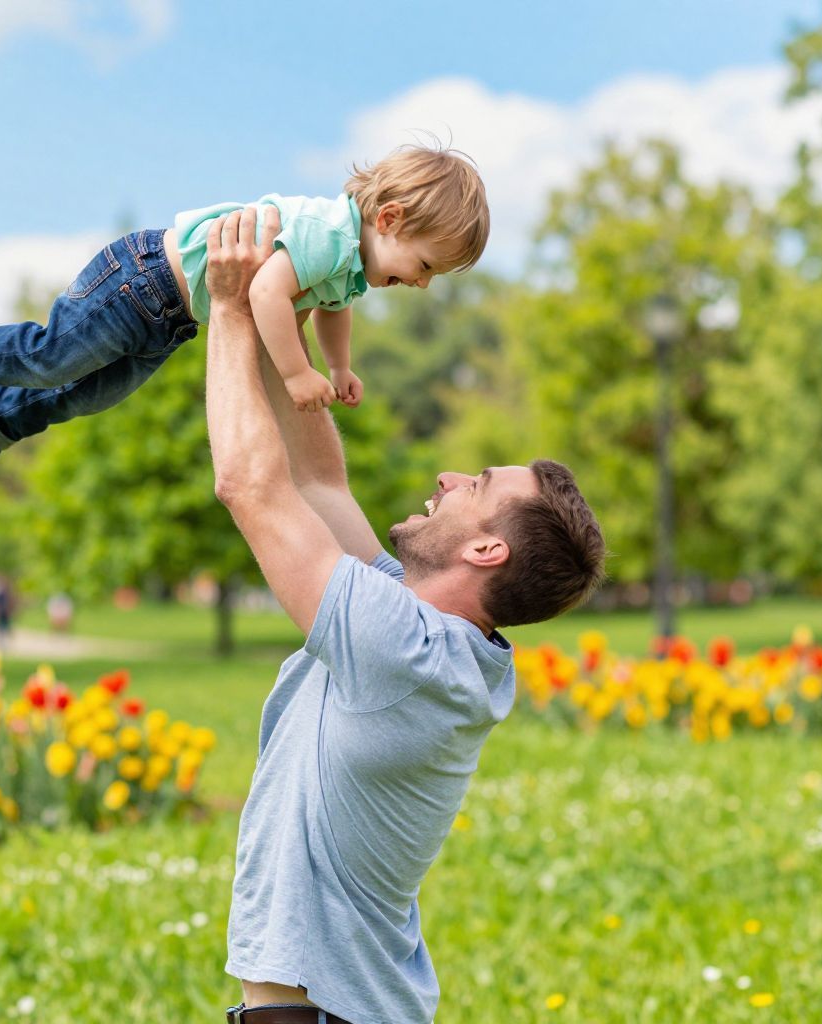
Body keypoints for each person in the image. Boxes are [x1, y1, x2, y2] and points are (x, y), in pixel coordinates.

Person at [203, 206, 606, 1024]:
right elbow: (321, 488)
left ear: (486, 553)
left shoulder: (398, 649)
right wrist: (300, 353)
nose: (453, 475)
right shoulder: (433, 640)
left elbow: (252, 486)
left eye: (479, 487)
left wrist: (232, 310)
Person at [0, 143, 490, 501]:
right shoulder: (328, 233)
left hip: (169, 318)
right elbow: (271, 294)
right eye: (426, 264)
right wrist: (298, 374)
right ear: (389, 218)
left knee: (93, 393)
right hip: (142, 279)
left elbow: (332, 308)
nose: (423, 282)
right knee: (52, 355)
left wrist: (339, 365)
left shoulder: (349, 265)